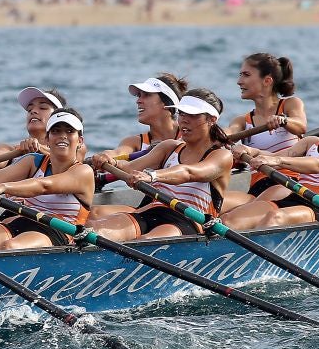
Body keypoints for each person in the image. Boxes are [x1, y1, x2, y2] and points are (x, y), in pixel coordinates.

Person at [88, 89, 235, 241]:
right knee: (95, 229)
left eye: (192, 115)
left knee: (144, 242)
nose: (184, 120)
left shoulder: (221, 156)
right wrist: (111, 162)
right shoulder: (169, 147)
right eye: (182, 113)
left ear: (211, 120)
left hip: (188, 220)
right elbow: (130, 168)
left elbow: (188, 172)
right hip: (151, 210)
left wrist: (152, 175)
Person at [224, 79, 319, 231]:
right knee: (230, 219)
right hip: (294, 199)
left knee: (275, 218)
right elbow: (278, 155)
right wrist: (251, 151)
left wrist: (277, 160)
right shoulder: (311, 142)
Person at [0, 109, 96, 250]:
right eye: (56, 131)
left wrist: (3, 187)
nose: (62, 136)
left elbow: (43, 186)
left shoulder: (83, 172)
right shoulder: (34, 161)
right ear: (47, 139)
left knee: (11, 247)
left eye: (69, 131)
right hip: (23, 220)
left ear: (80, 141)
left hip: (58, 231)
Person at [223, 52, 307, 210]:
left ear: (267, 81)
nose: (239, 81)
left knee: (246, 211)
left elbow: (301, 125)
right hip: (256, 189)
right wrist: (214, 135)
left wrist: (284, 121)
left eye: (246, 75)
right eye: (240, 75)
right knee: (215, 204)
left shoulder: (290, 105)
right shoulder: (242, 121)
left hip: (288, 183)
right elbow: (229, 132)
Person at [0, 86, 72, 169]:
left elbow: (71, 159)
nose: (33, 111)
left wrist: (40, 148)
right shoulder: (11, 150)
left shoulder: (72, 149)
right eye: (29, 109)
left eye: (43, 108)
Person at [101, 74, 188, 160]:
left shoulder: (189, 137)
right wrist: (105, 155)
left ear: (167, 102)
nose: (138, 101)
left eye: (147, 95)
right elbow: (117, 153)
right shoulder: (134, 142)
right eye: (139, 96)